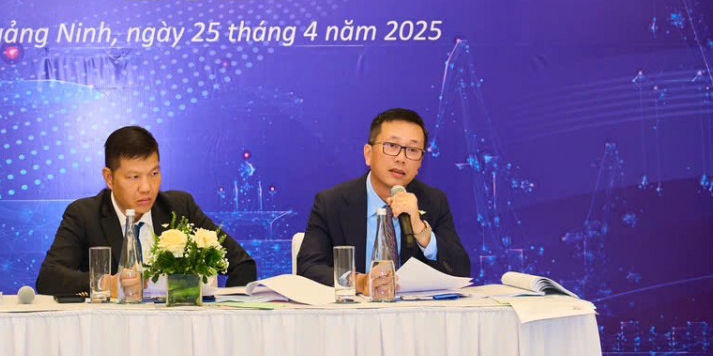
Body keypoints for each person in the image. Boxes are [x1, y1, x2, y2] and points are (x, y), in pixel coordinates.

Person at [36, 125, 257, 296]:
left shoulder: (180, 208)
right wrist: (107, 283)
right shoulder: (85, 214)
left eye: (154, 174)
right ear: (109, 178)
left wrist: (225, 310)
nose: (147, 187)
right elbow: (48, 278)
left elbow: (243, 265)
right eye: (134, 177)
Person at [296, 108, 470, 290]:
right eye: (392, 146)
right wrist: (360, 282)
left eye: (412, 150)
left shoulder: (434, 201)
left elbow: (461, 272)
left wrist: (420, 230)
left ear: (420, 163)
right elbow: (308, 268)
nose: (401, 158)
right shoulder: (332, 202)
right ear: (368, 154)